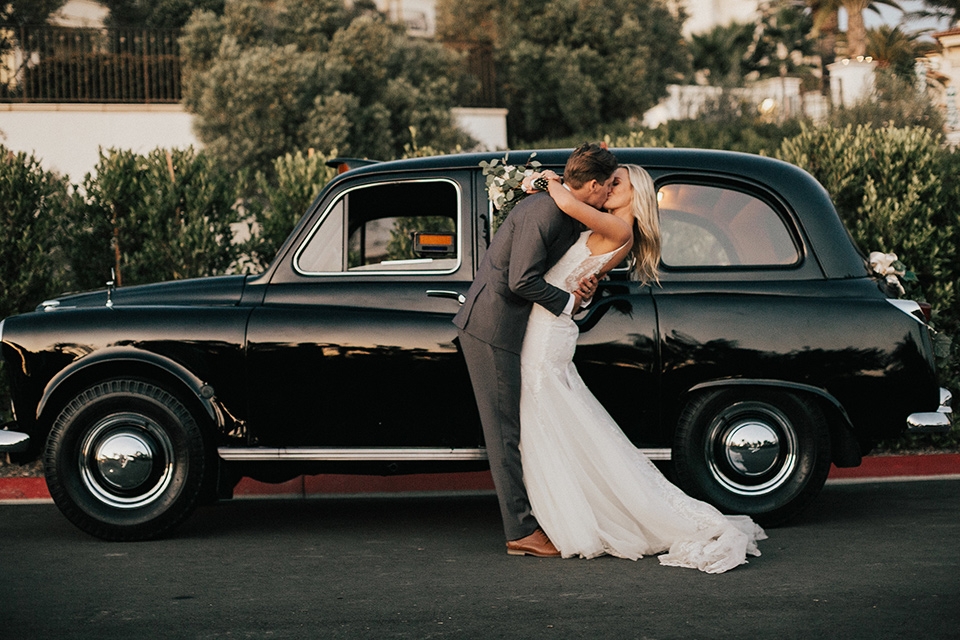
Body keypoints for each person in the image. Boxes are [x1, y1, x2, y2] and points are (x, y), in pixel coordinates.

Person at [518, 165, 767, 573]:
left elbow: (564, 200)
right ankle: (570, 508)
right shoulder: (617, 228)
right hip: (552, 324)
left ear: (636, 194)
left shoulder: (617, 227)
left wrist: (542, 178)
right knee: (562, 424)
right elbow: (579, 283)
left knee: (549, 420)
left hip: (546, 332)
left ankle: (568, 516)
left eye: (617, 182)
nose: (607, 186)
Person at [454, 143, 619, 557]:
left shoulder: (559, 205)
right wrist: (568, 304)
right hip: (492, 328)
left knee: (511, 426)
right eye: (609, 187)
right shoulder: (544, 211)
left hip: (509, 327)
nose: (609, 196)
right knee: (504, 431)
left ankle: (529, 521)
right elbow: (521, 281)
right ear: (594, 185)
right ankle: (520, 532)